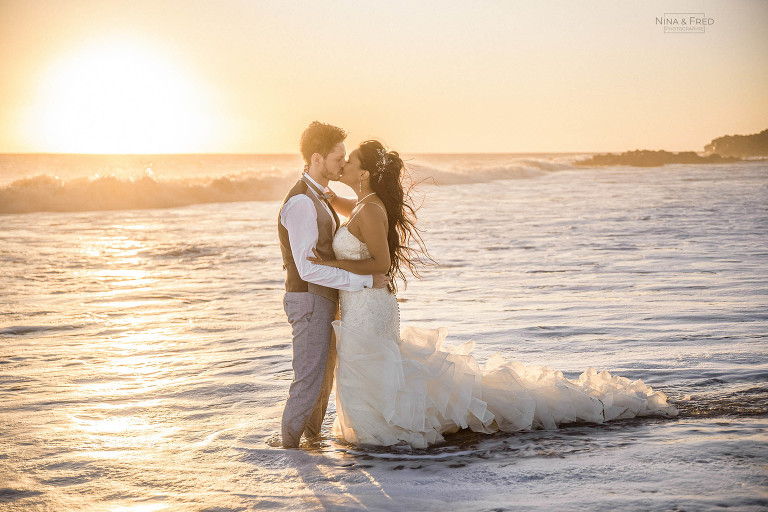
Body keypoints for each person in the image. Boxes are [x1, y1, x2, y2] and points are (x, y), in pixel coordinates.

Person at [308, 140, 679, 449]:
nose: (345, 165)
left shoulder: (371, 208)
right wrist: (315, 186)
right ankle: (375, 428)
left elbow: (381, 264)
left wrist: (330, 264)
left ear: (365, 173)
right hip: (361, 305)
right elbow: (339, 206)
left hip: (369, 306)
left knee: (373, 365)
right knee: (370, 366)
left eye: (350, 161)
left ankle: (384, 431)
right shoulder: (361, 204)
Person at [274, 122, 389, 449]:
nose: (343, 163)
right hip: (308, 300)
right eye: (338, 157)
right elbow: (308, 268)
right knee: (308, 382)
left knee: (324, 383)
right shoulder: (300, 203)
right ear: (317, 158)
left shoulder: (319, 196)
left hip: (324, 300)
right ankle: (288, 455)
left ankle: (312, 448)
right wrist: (365, 280)